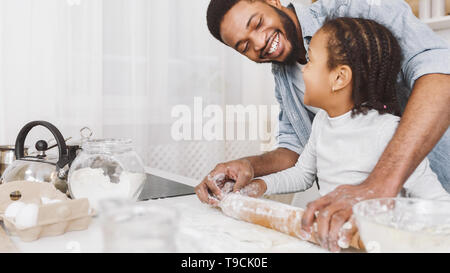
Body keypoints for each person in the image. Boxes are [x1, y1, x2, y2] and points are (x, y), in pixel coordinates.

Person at [196, 0, 450, 251]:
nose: (259, 43)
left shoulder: (356, 8)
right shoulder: (291, 84)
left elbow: (440, 75)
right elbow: (297, 155)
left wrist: (377, 186)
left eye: (258, 23)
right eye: (244, 46)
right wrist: (251, 168)